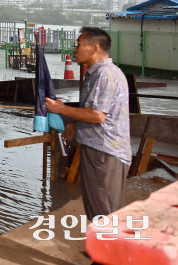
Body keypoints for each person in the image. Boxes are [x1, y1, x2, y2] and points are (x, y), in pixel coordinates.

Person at [45, 27, 131, 219]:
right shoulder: (98, 73)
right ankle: (102, 246)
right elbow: (101, 113)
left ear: (95, 48)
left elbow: (98, 116)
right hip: (100, 150)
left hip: (105, 152)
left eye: (78, 45)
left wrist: (61, 109)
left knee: (103, 211)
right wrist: (75, 125)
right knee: (98, 208)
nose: (75, 49)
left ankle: (107, 247)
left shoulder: (105, 74)